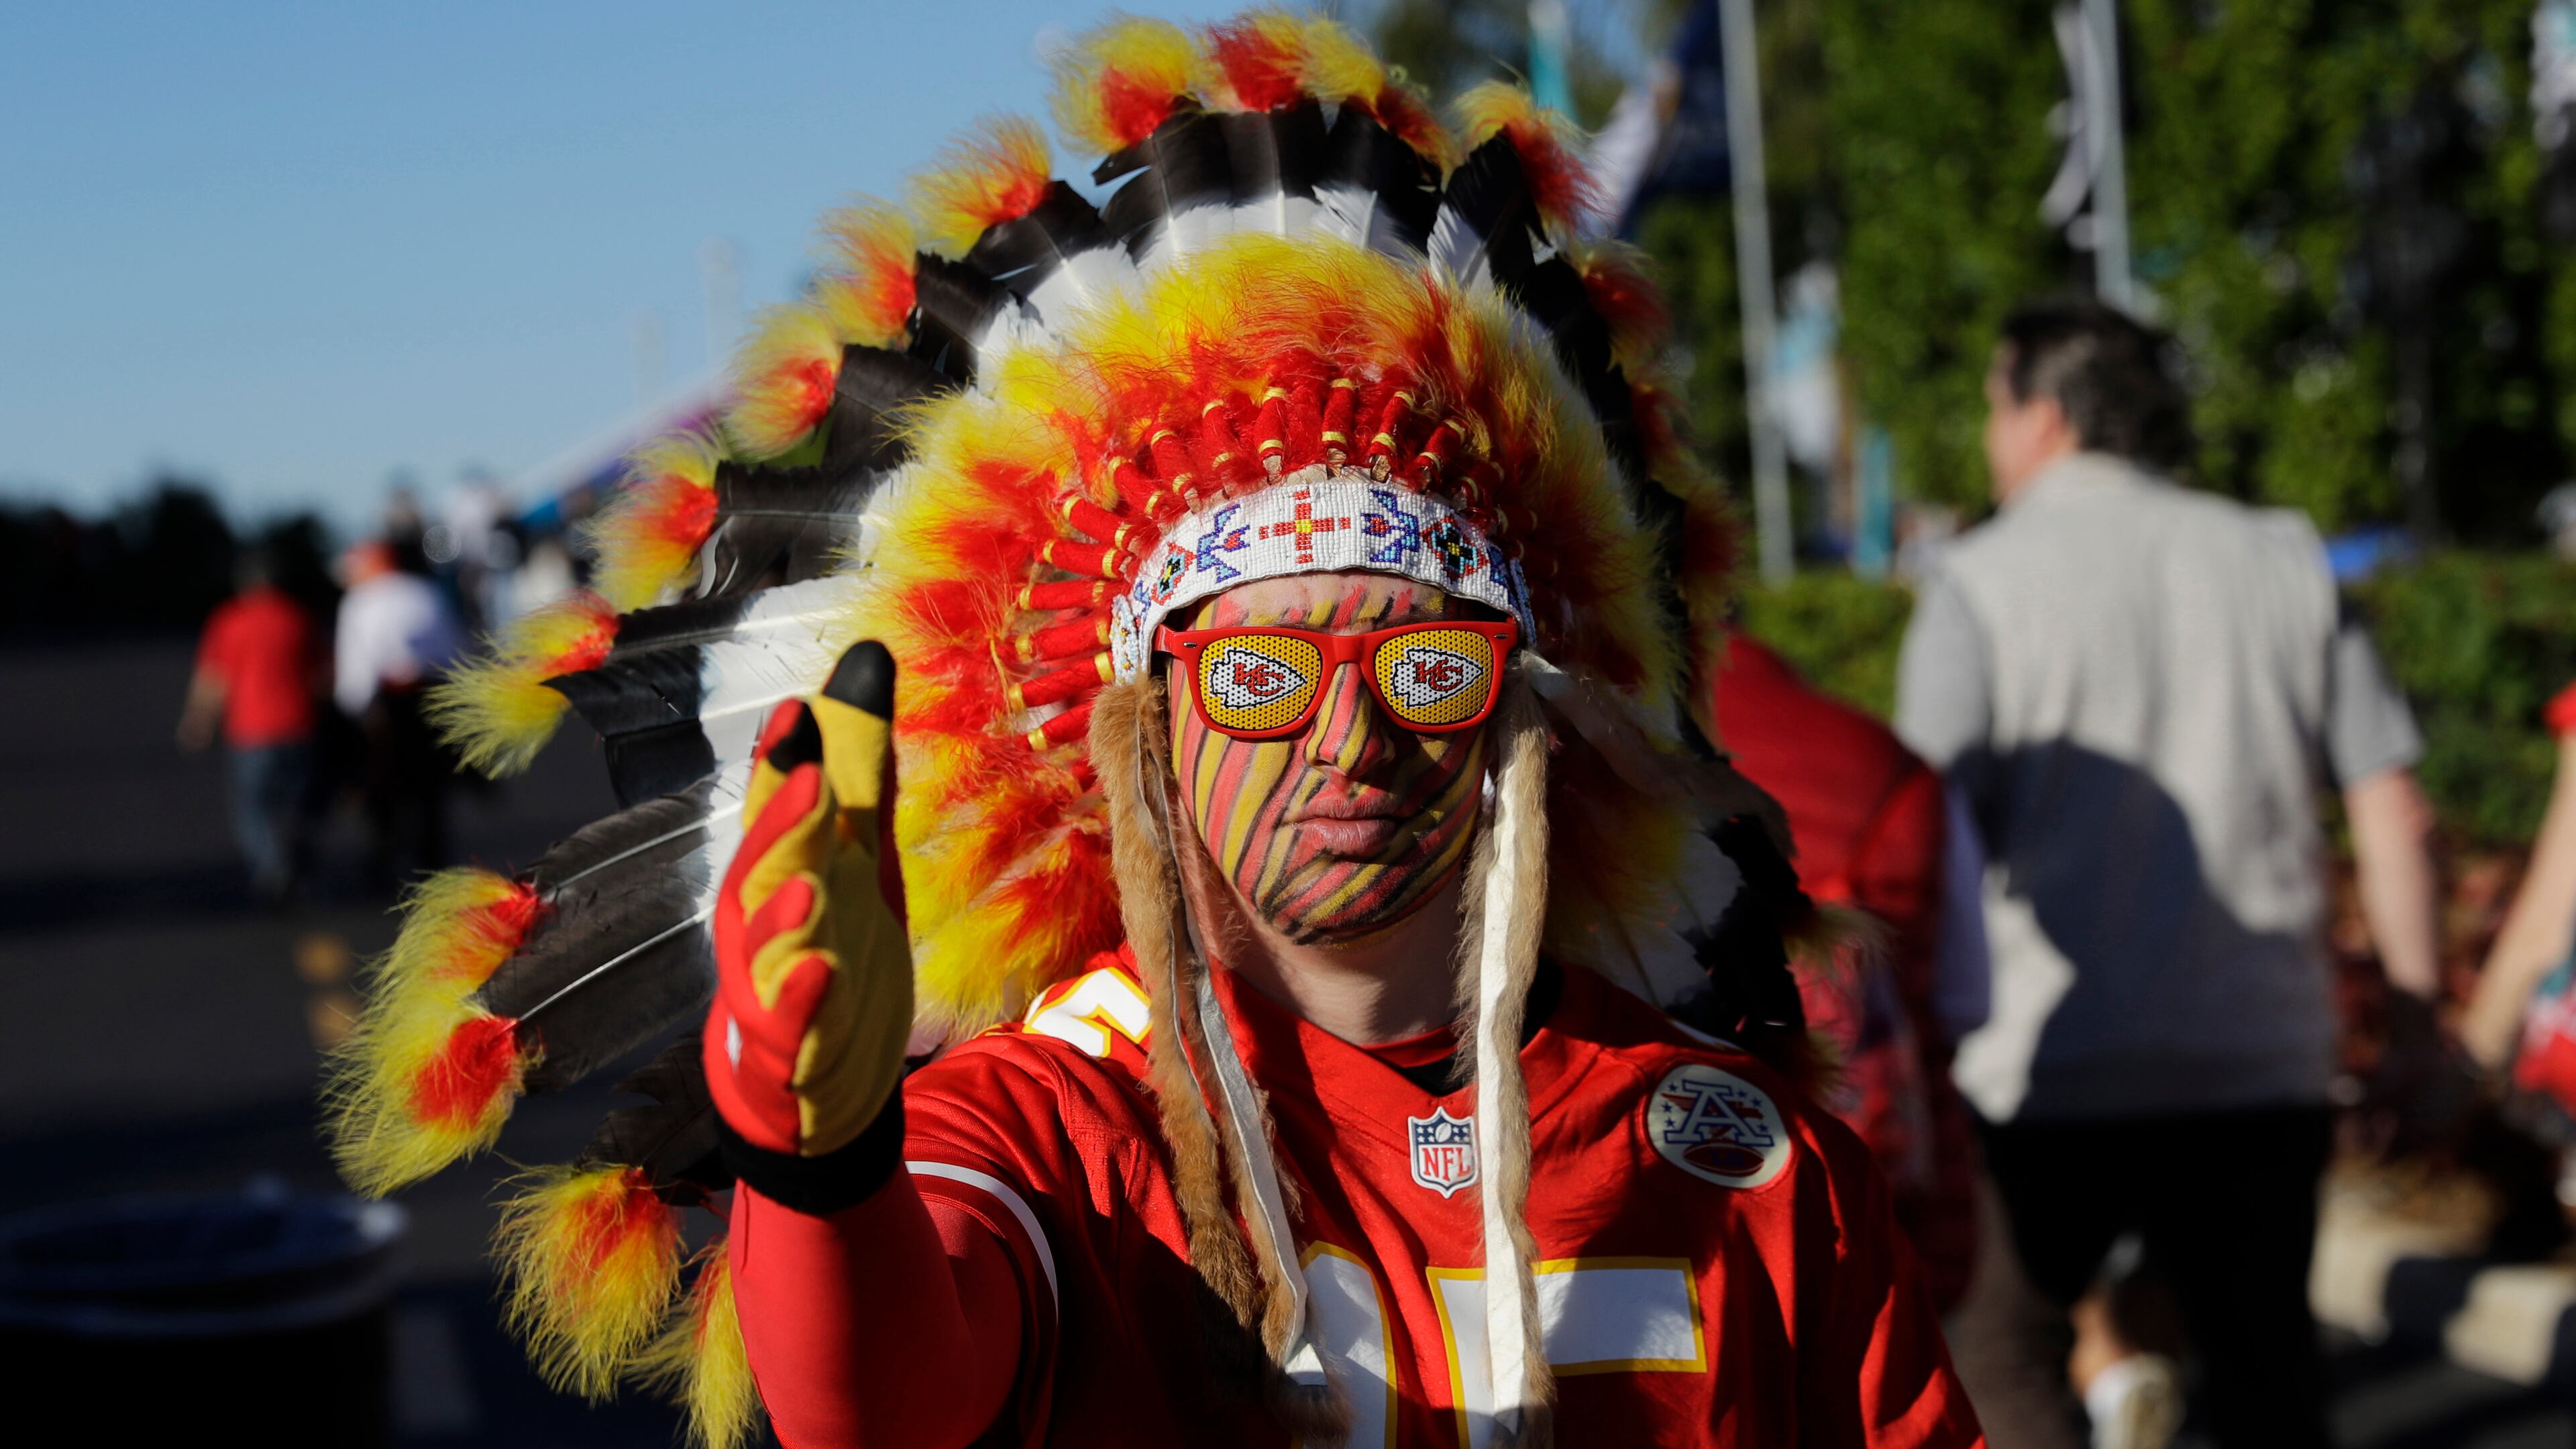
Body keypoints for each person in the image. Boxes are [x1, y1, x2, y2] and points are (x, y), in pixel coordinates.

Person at [323, 15, 1983, 1446]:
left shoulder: (1742, 1150)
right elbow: (889, 1390)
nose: (1348, 744)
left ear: (1522, 721)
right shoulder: (1058, 1120)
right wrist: (814, 1145)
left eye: (1423, 671)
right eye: (1257, 680)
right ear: (1137, 737)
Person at [1896, 297, 2442, 1448]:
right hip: (2257, 1052)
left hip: (2047, 1069)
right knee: (2264, 1368)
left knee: (2004, 1354)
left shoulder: (1979, 583)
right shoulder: (2286, 560)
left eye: (1996, 407)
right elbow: (2394, 806)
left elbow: (1920, 831)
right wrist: (2411, 1023)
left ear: (2041, 415)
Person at [1712, 633, 1985, 1314]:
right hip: (1883, 1188)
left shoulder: (1582, 753)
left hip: (1680, 1186)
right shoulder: (1883, 759)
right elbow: (1968, 996)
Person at [178, 549, 320, 902]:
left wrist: (198, 721)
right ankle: (295, 857)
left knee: (253, 806)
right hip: (300, 725)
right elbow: (324, 674)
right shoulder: (298, 617)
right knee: (297, 802)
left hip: (251, 730)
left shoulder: (230, 620)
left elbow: (214, 678)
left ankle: (273, 867)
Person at [333, 537, 465, 879]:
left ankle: (383, 861)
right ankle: (433, 866)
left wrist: (355, 711)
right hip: (429, 698)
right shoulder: (427, 593)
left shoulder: (360, 601)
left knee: (383, 789)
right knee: (430, 790)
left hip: (385, 707)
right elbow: (453, 650)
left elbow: (356, 667)